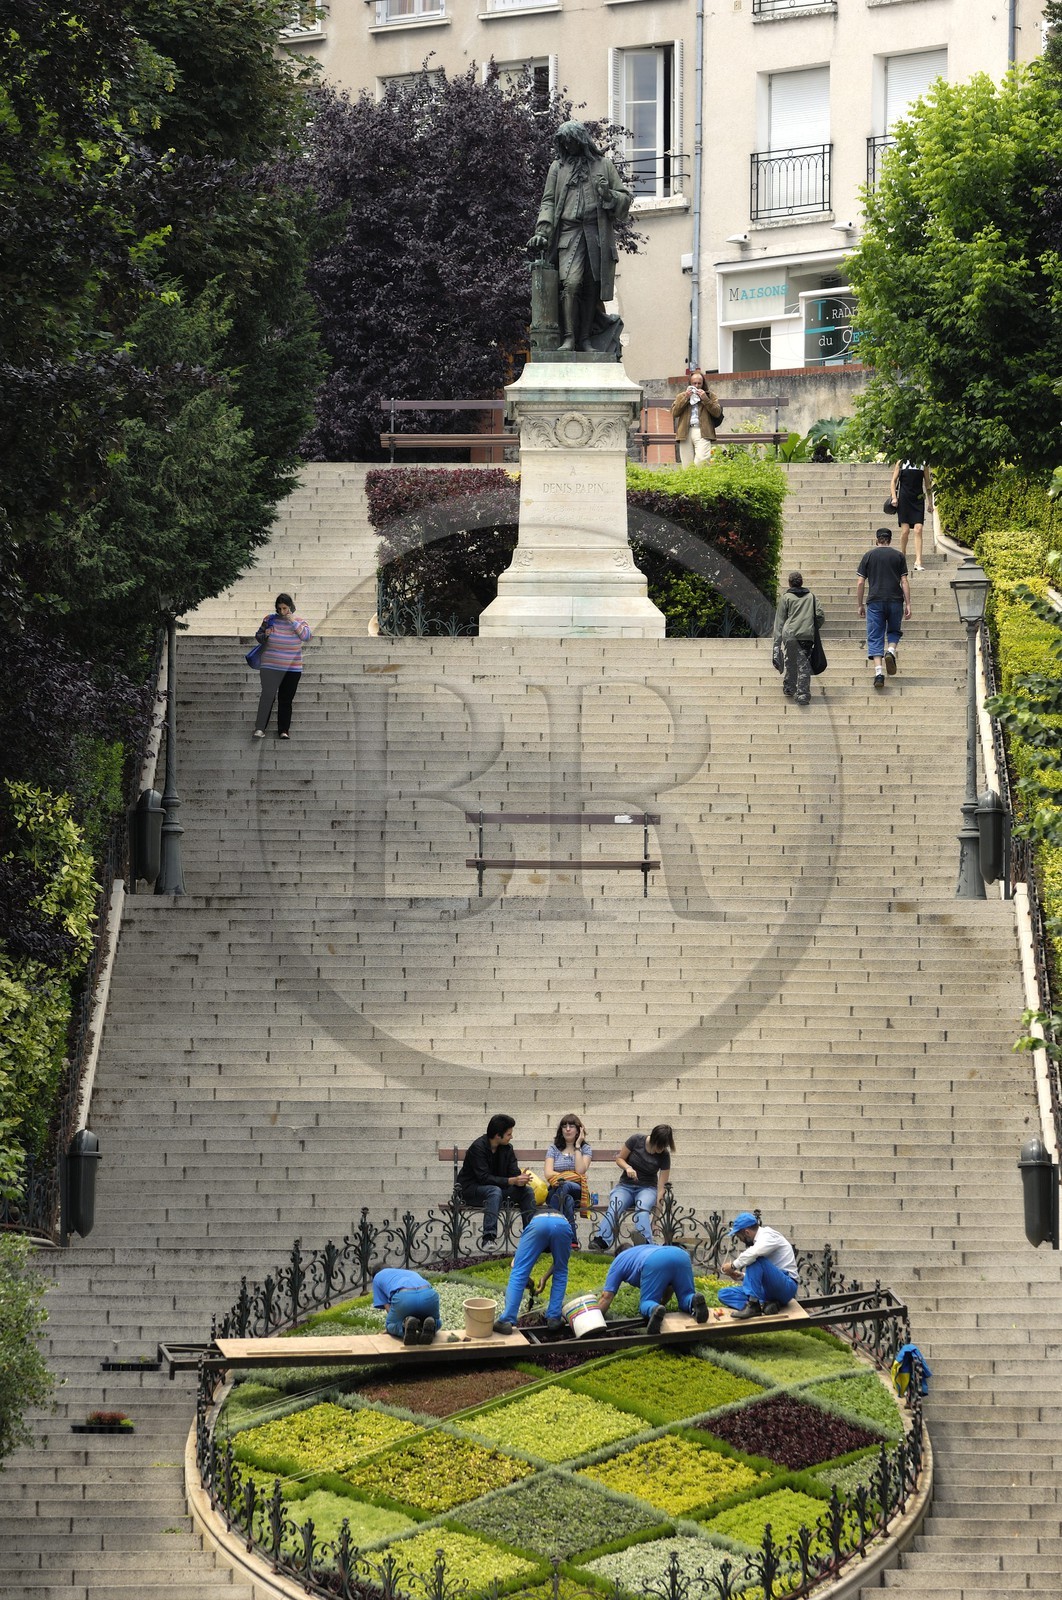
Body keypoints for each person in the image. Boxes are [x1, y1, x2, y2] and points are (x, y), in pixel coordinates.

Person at [528, 121, 632, 355]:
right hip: (568, 232)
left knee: (591, 289)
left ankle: (585, 340)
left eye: (571, 141)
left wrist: (608, 194)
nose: (567, 146)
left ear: (581, 140)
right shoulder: (558, 167)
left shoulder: (603, 165)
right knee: (571, 284)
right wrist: (542, 231)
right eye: (564, 143)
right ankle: (568, 338)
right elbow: (548, 201)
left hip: (595, 234)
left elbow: (625, 198)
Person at [589, 1125, 674, 1252]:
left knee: (642, 1207)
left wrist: (655, 1221)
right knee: (615, 1205)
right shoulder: (636, 1140)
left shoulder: (664, 1156)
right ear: (653, 1140)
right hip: (625, 1186)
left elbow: (661, 1188)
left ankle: (645, 1243)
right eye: (659, 1146)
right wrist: (628, 1167)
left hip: (647, 1188)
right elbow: (619, 1159)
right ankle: (602, 1239)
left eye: (664, 1147)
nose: (660, 1150)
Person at [457, 1114, 537, 1244]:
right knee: (494, 1191)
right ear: (497, 1135)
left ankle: (532, 1238)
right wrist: (511, 1181)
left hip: (498, 1191)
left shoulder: (507, 1148)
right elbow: (483, 1178)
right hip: (471, 1191)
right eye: (508, 1134)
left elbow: (513, 1173)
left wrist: (521, 1181)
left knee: (527, 1192)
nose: (512, 1137)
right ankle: (489, 1237)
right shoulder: (478, 1147)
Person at [596, 1243, 708, 1334]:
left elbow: (606, 1297)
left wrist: (595, 1321)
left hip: (655, 1260)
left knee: (647, 1303)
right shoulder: (644, 1248)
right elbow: (669, 1287)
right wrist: (661, 1305)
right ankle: (693, 1300)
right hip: (680, 1255)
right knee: (685, 1296)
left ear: (617, 1254)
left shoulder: (619, 1260)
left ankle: (652, 1308)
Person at [493, 1212, 576, 1335]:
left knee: (519, 1272)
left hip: (539, 1222)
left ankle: (506, 1320)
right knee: (561, 1271)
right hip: (562, 1224)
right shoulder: (560, 1225)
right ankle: (553, 1318)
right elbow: (559, 1265)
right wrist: (544, 1278)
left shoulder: (533, 1226)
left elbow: (516, 1265)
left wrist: (529, 1278)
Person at [856, 528, 911, 691]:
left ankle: (879, 673)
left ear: (876, 540)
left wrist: (859, 604)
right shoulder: (898, 556)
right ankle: (891, 651)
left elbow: (860, 582)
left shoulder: (869, 556)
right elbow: (904, 581)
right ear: (890, 540)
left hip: (875, 601)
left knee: (875, 636)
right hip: (895, 600)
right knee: (894, 630)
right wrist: (908, 603)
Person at [253, 593, 312, 739]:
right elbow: (258, 636)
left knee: (286, 699)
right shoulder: (269, 619)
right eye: (279, 608)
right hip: (270, 666)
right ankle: (260, 729)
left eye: (284, 608)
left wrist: (292, 621)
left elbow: (306, 636)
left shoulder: (299, 621)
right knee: (267, 696)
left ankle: (283, 730)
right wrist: (265, 635)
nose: (282, 612)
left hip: (292, 668)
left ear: (290, 607)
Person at [719, 1212, 798, 1320]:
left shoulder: (768, 1235)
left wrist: (732, 1266)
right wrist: (742, 1276)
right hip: (769, 1288)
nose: (741, 1241)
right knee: (724, 1294)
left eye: (739, 1237)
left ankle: (753, 1305)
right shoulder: (759, 1241)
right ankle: (764, 1305)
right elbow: (766, 1273)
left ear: (746, 1232)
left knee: (755, 1259)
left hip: (787, 1286)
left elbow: (754, 1254)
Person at [772, 571, 825, 707]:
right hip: (806, 635)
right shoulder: (811, 597)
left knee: (790, 661)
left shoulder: (786, 598)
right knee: (804, 664)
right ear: (801, 582)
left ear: (790, 583)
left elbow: (779, 621)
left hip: (790, 635)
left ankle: (789, 687)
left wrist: (777, 643)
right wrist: (812, 627)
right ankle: (803, 694)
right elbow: (820, 616)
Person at [545, 1113, 592, 1236]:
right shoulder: (554, 1149)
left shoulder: (585, 1149)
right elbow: (548, 1173)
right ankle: (572, 1241)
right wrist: (571, 1175)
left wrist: (577, 1146)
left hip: (577, 1189)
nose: (567, 1129)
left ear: (578, 1130)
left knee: (565, 1186)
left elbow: (581, 1171)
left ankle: (551, 1231)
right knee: (567, 1200)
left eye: (571, 1126)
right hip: (555, 1189)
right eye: (564, 1126)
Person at [371, 1267, 440, 1345]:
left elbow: (388, 1308)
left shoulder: (377, 1277)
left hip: (404, 1297)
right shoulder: (410, 1272)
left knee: (390, 1324)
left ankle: (404, 1328)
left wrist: (393, 1326)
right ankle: (433, 1324)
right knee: (436, 1321)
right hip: (429, 1294)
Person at [671, 371, 722, 466]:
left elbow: (717, 413)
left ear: (703, 384)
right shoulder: (682, 396)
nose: (697, 385)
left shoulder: (710, 396)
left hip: (703, 431)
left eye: (699, 383)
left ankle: (702, 480)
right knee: (687, 465)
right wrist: (686, 398)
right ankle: (689, 481)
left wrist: (705, 399)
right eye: (694, 383)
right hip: (685, 432)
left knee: (702, 461)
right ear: (690, 383)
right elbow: (674, 413)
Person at [890, 461, 933, 572]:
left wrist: (930, 503)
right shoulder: (901, 462)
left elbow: (927, 483)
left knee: (918, 529)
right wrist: (894, 497)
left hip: (918, 499)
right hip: (904, 498)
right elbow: (893, 481)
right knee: (905, 531)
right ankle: (903, 555)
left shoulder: (923, 463)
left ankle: (918, 561)